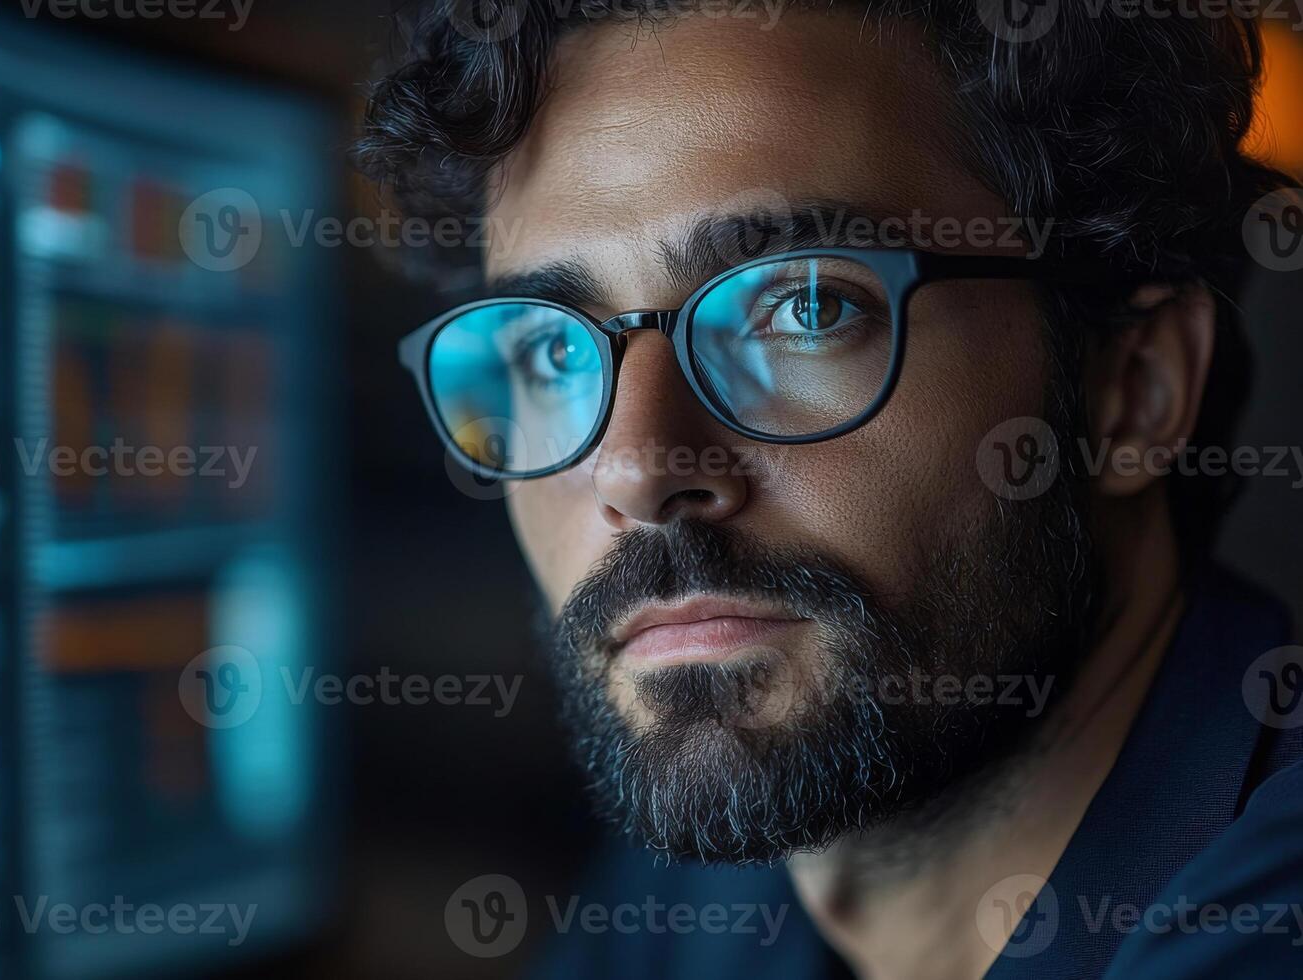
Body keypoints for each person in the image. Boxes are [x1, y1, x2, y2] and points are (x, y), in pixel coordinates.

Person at [359, 2, 1303, 976]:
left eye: (803, 306)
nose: (636, 468)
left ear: (1132, 391)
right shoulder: (715, 892)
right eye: (552, 351)